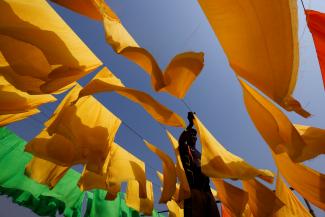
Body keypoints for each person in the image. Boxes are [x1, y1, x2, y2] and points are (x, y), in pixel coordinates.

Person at [179, 112, 220, 217]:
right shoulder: (185, 148)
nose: (193, 136)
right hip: (194, 188)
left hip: (206, 188)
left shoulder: (200, 153)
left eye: (194, 135)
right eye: (191, 134)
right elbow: (181, 141)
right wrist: (190, 124)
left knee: (214, 213)